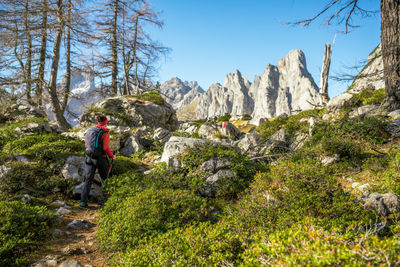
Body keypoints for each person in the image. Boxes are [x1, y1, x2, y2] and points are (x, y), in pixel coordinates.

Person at [81, 114, 115, 207]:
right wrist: (112, 156)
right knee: (105, 179)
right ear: (106, 123)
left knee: (88, 179)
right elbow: (105, 147)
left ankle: (83, 201)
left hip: (89, 156)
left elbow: (86, 144)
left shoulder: (90, 130)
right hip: (99, 158)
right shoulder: (105, 132)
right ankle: (105, 202)